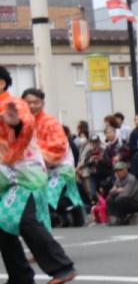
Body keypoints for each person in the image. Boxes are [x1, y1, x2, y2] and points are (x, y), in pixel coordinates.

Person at [0, 68, 76, 284]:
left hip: (23, 173)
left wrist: (16, 125)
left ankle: (62, 266)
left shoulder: (14, 104)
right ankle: (20, 277)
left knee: (23, 219)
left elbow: (24, 124)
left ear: (2, 83)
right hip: (4, 175)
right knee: (3, 225)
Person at [22, 89, 85, 227]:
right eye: (28, 103)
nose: (32, 106)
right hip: (35, 168)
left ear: (42, 103)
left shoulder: (51, 122)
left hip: (59, 166)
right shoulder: (22, 123)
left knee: (49, 194)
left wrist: (39, 156)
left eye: (36, 102)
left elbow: (59, 146)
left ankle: (73, 211)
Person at [106, 160, 138, 224]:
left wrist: (116, 191)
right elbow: (110, 192)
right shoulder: (118, 179)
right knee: (109, 199)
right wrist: (118, 190)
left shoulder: (131, 179)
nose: (118, 173)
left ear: (125, 170)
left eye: (120, 170)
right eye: (116, 171)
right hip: (125, 199)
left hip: (136, 202)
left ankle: (122, 218)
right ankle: (114, 218)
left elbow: (126, 194)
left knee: (120, 199)